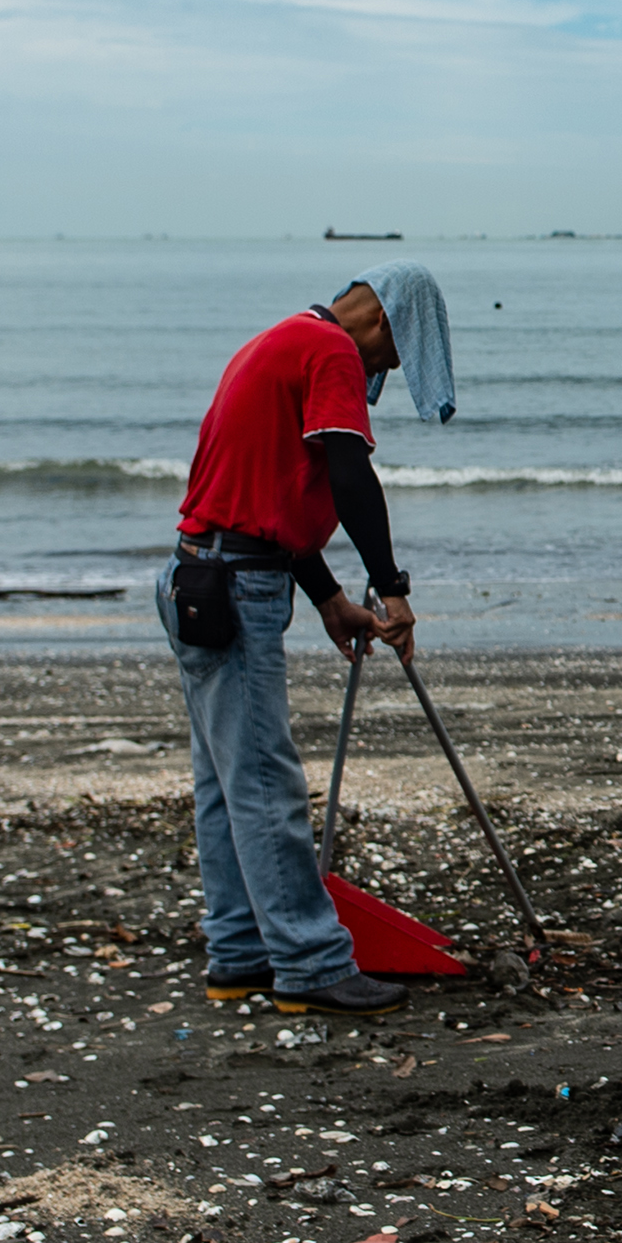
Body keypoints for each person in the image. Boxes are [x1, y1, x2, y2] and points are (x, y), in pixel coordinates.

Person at [162, 263, 459, 1016]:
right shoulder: (330, 352)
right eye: (391, 361)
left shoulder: (279, 341)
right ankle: (309, 963)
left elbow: (264, 495)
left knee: (225, 785)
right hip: (234, 585)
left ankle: (240, 953)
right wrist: (391, 584)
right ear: (384, 324)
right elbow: (347, 471)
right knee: (264, 782)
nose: (381, 375)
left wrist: (328, 598)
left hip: (201, 575)